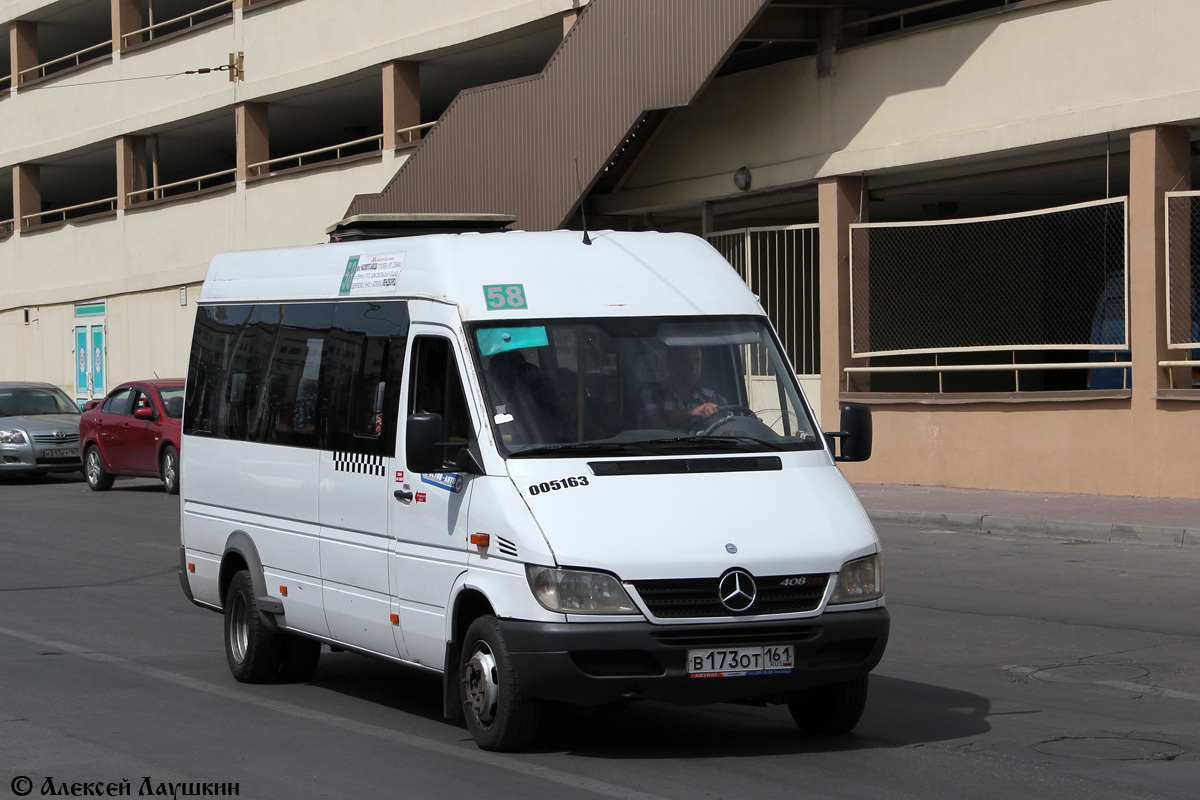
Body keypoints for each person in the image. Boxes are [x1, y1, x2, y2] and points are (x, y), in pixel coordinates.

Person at [640, 346, 726, 429]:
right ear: (670, 363)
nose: (692, 367)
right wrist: (693, 412)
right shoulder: (653, 395)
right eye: (685, 360)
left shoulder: (713, 398)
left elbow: (732, 427)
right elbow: (656, 421)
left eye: (697, 360)